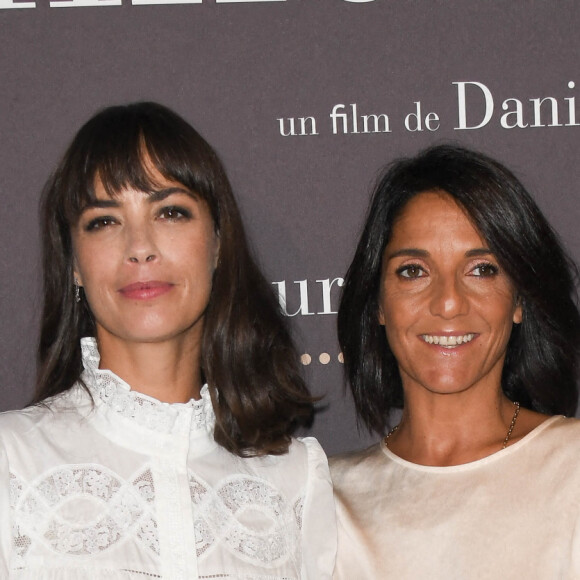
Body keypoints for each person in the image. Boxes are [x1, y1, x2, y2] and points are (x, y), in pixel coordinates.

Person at [0, 102, 336, 579]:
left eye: (171, 212)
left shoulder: (293, 479)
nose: (140, 247)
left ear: (218, 243)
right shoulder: (11, 461)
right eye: (104, 220)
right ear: (74, 262)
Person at [331, 144, 580, 579]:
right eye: (413, 270)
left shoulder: (572, 466)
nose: (448, 302)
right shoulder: (326, 498)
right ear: (379, 304)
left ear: (519, 300)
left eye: (482, 269)